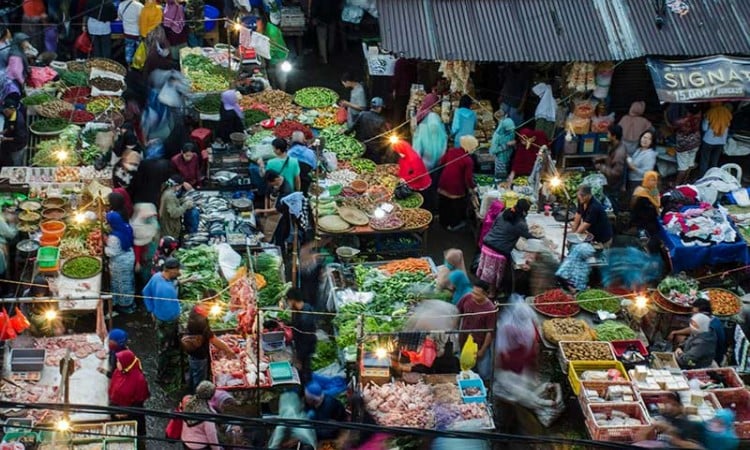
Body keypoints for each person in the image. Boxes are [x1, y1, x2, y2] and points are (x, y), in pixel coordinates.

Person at [480, 198, 533, 297]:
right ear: (525, 212)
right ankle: (492, 295)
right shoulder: (521, 224)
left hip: (487, 244)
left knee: (489, 273)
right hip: (498, 251)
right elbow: (528, 236)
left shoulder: (504, 213)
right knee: (495, 276)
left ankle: (487, 288)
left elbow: (494, 227)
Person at [143, 257, 184, 384]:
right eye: (177, 270)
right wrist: (177, 316)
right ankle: (161, 376)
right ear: (170, 270)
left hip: (159, 316)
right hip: (167, 321)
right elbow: (171, 310)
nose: (179, 272)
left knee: (166, 343)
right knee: (164, 348)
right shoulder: (166, 289)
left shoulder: (157, 277)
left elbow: (145, 291)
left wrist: (151, 310)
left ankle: (171, 356)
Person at [183, 301, 235, 392]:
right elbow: (213, 339)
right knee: (199, 381)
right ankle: (198, 399)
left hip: (192, 352)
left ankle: (189, 391)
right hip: (199, 354)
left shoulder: (195, 310)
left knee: (193, 373)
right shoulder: (200, 321)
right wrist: (228, 349)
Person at [636, 391, 708, 448]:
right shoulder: (663, 416)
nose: (669, 406)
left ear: (681, 406)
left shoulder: (690, 425)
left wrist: (673, 436)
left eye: (674, 404)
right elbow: (640, 438)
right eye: (666, 403)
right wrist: (651, 427)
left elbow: (697, 447)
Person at [457, 280, 497, 381]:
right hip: (464, 339)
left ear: (486, 294)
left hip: (479, 343)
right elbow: (457, 313)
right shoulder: (467, 298)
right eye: (473, 292)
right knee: (465, 365)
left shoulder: (490, 309)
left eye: (477, 294)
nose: (473, 296)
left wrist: (482, 350)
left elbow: (490, 332)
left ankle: (485, 386)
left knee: (484, 372)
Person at [668, 299, 727, 366]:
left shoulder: (708, 331)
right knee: (679, 339)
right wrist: (681, 347)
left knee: (679, 340)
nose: (693, 316)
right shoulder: (711, 320)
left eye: (695, 313)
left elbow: (690, 359)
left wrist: (679, 355)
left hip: (707, 359)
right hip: (699, 350)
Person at [437, 135, 478, 231]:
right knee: (455, 207)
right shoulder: (468, 160)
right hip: (455, 188)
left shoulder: (452, 151)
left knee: (444, 203)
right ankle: (453, 224)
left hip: (443, 182)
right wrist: (473, 188)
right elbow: (468, 179)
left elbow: (442, 162)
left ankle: (442, 222)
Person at [108, 349, 150, 441]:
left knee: (133, 437)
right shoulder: (118, 372)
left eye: (119, 361)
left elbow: (139, 402)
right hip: (116, 410)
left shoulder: (139, 380)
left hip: (132, 414)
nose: (117, 363)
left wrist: (125, 414)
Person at [106, 193, 137, 314]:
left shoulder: (114, 237)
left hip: (120, 262)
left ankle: (125, 306)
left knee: (121, 284)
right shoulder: (126, 225)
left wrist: (104, 246)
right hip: (128, 256)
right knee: (128, 281)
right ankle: (128, 302)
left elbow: (110, 253)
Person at [496, 298, 538, 375]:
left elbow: (531, 337)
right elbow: (502, 338)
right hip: (512, 351)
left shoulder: (528, 323)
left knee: (520, 368)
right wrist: (504, 352)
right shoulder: (508, 325)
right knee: (510, 370)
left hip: (522, 351)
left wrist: (531, 347)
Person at [666, 103, 702, 186]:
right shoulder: (699, 116)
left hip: (684, 146)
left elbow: (670, 126)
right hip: (695, 143)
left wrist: (665, 115)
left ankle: (677, 184)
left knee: (682, 167)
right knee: (690, 164)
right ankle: (685, 182)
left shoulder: (682, 121)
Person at [594, 124, 627, 212]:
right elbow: (610, 158)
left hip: (615, 186)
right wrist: (603, 158)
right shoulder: (615, 145)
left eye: (608, 133)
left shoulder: (619, 152)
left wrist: (602, 167)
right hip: (610, 183)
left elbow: (616, 173)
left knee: (613, 206)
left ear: (614, 136)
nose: (607, 135)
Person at [286, 288, 316, 385]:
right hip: (303, 344)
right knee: (304, 369)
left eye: (288, 301)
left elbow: (305, 338)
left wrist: (299, 356)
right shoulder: (304, 308)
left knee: (305, 370)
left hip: (305, 347)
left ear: (293, 300)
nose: (288, 304)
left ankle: (306, 392)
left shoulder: (305, 318)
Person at [349, 97, 391, 163]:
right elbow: (385, 138)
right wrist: (384, 153)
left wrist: (345, 133)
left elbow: (352, 127)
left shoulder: (362, 114)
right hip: (374, 150)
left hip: (360, 146)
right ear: (379, 108)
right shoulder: (381, 120)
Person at [181, 381, 221, 450]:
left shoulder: (188, 403)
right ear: (210, 396)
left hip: (185, 440)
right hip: (200, 446)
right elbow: (211, 435)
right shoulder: (207, 415)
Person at [699, 101, 733, 177]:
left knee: (705, 160)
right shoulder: (727, 112)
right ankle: (712, 177)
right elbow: (728, 125)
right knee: (714, 161)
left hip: (708, 141)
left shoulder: (710, 112)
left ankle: (702, 177)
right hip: (721, 141)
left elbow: (704, 128)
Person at [630, 171, 661, 248]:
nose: (654, 182)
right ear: (646, 179)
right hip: (641, 218)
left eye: (655, 180)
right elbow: (633, 206)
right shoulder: (640, 190)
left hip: (650, 219)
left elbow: (657, 204)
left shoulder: (654, 190)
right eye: (651, 179)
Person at [489, 106, 516, 181]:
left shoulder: (510, 130)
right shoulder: (497, 135)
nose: (511, 132)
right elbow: (493, 151)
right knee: (500, 180)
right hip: (501, 160)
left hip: (509, 158)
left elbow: (513, 139)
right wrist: (506, 145)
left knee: (508, 179)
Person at [0, 98, 27, 168]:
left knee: (16, 165)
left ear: (12, 109)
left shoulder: (19, 122)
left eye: (6, 110)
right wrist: (3, 132)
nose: (4, 111)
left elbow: (20, 138)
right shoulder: (9, 115)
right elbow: (10, 127)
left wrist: (5, 139)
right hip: (9, 145)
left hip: (17, 147)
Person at [309, 0, 338, 64]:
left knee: (322, 38)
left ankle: (324, 58)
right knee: (331, 36)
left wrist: (313, 17)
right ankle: (331, 53)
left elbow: (315, 5)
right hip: (332, 15)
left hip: (321, 17)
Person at [118, 0, 144, 66]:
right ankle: (138, 66)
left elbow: (120, 17)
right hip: (138, 33)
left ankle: (129, 66)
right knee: (139, 51)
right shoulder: (139, 5)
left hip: (127, 32)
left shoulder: (121, 5)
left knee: (129, 49)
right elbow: (143, 18)